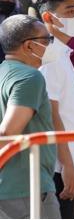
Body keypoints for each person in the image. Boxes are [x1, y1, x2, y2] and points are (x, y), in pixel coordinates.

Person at [36, 0, 74, 219]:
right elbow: (51, 112)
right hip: (60, 167)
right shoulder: (50, 58)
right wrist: (67, 165)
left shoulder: (61, 53)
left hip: (72, 161)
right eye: (70, 11)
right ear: (48, 16)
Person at [0, 14, 60, 218]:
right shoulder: (30, 77)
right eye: (46, 40)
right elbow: (7, 132)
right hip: (26, 191)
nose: (50, 45)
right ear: (28, 46)